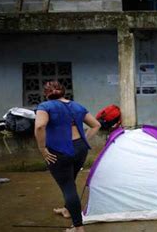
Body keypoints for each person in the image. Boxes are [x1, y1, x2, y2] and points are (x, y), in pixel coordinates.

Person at [34, 81, 101, 232]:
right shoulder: (77, 106)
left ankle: (78, 227)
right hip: (80, 149)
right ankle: (67, 209)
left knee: (68, 186)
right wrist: (84, 140)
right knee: (70, 181)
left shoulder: (45, 107)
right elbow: (96, 125)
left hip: (59, 151)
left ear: (46, 94)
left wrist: (42, 148)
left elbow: (39, 126)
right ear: (64, 92)